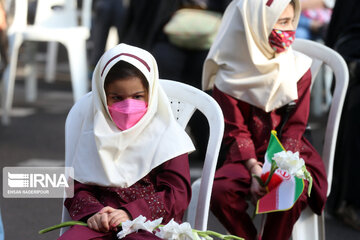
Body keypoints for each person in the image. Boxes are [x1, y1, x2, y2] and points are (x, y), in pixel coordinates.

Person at [202, 0, 328, 239]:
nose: (289, 30)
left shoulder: (298, 68)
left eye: (292, 21)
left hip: (289, 152)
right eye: (281, 22)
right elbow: (235, 130)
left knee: (292, 190)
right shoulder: (228, 75)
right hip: (243, 156)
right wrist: (254, 168)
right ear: (255, 26)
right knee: (220, 192)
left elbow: (295, 127)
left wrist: (277, 166)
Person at [59, 43, 195, 239]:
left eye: (138, 96)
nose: (128, 105)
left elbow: (177, 194)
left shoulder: (167, 137)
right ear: (102, 97)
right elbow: (77, 188)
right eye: (117, 97)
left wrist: (131, 213)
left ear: (151, 93)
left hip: (150, 225)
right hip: (100, 224)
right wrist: (95, 213)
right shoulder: (94, 133)